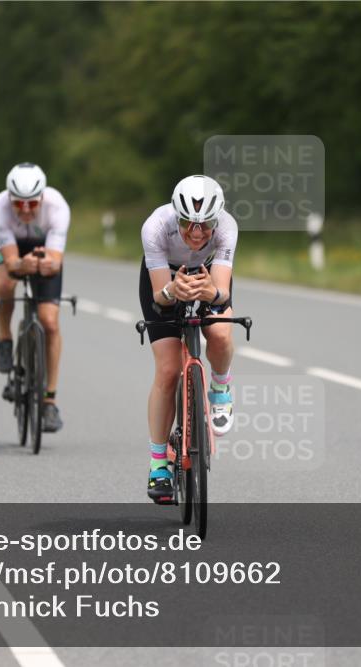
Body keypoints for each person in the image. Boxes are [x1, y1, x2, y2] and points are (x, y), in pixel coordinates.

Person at [139, 175, 238, 503]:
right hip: (165, 278)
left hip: (206, 275)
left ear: (216, 219)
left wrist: (212, 292)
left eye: (205, 225)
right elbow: (158, 296)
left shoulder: (227, 227)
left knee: (221, 334)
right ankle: (158, 464)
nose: (196, 233)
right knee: (168, 370)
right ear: (176, 216)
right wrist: (171, 290)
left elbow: (221, 291)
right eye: (187, 224)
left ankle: (220, 388)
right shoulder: (155, 227)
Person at [0, 162, 71, 433]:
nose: (25, 210)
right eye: (18, 203)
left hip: (43, 247)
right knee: (4, 283)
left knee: (50, 321)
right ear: (9, 198)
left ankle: (50, 400)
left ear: (42, 198)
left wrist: (46, 264)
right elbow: (11, 262)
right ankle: (4, 337)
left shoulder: (58, 208)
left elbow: (55, 261)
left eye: (32, 204)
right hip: (10, 245)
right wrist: (19, 265)